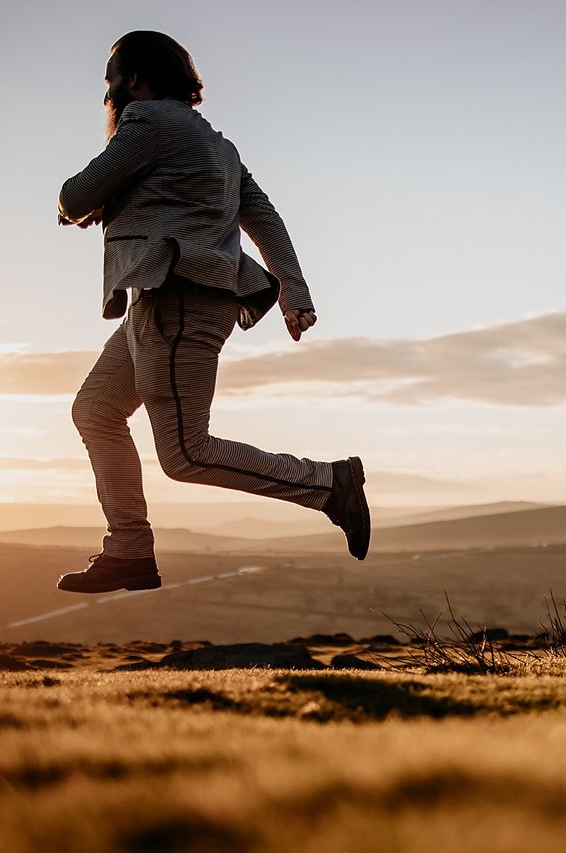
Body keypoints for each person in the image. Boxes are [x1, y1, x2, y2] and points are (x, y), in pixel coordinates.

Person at [55, 30, 369, 593]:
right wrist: (295, 294)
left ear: (134, 78)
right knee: (95, 411)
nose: (109, 93)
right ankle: (130, 551)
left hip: (178, 301)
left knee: (184, 453)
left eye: (111, 80)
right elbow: (263, 217)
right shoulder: (218, 146)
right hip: (165, 302)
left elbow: (76, 195)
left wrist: (79, 203)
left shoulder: (147, 122)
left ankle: (328, 485)